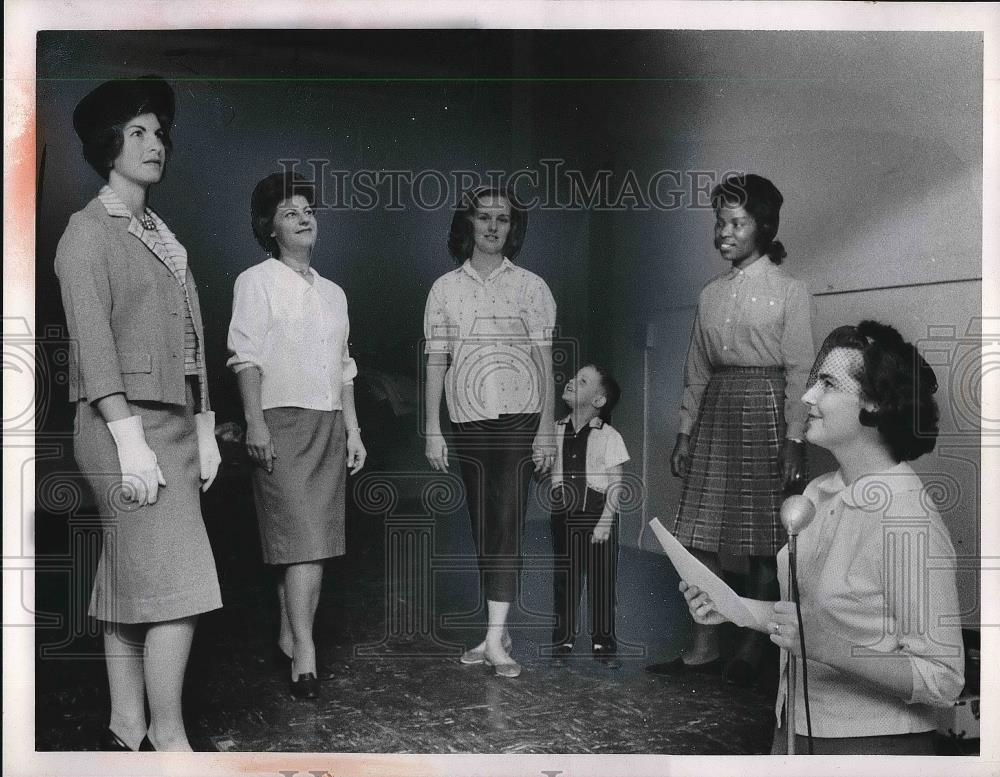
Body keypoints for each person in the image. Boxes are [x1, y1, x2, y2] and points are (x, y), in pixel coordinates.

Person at [681, 321, 964, 754]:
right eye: (814, 381)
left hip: (872, 745)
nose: (808, 396)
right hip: (793, 729)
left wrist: (830, 648)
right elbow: (804, 619)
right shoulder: (818, 492)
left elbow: (943, 679)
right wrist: (732, 608)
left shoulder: (909, 519)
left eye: (828, 384)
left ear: (875, 403)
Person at [54, 76, 222, 751]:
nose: (155, 144)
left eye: (158, 133)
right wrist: (131, 443)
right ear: (107, 145)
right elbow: (96, 352)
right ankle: (170, 736)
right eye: (137, 133)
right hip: (121, 426)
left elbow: (190, 339)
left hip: (174, 424)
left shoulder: (159, 232)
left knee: (131, 577)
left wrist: (206, 426)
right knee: (180, 588)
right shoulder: (86, 234)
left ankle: (127, 724)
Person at [647, 174, 815, 685]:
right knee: (699, 536)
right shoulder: (710, 294)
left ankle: (751, 650)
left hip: (767, 413)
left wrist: (794, 439)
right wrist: (683, 432)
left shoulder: (790, 291)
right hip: (716, 412)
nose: (724, 232)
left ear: (763, 228)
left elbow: (800, 371)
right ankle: (701, 648)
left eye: (736, 223)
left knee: (764, 540)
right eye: (720, 222)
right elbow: (696, 369)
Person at [227, 172, 366, 700]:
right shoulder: (255, 281)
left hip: (329, 423)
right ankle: (305, 650)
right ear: (270, 226)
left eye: (308, 209)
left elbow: (344, 368)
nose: (304, 217)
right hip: (280, 423)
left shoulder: (334, 293)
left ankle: (291, 630)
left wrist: (353, 430)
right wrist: (255, 422)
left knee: (314, 543)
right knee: (301, 538)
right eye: (290, 211)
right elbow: (246, 358)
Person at [424, 186, 557, 678]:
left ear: (513, 228)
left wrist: (546, 430)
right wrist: (431, 429)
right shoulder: (444, 289)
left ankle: (496, 640)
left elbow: (545, 362)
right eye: (484, 217)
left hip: (520, 420)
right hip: (466, 421)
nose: (493, 226)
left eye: (503, 218)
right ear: (469, 224)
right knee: (485, 526)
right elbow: (437, 360)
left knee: (506, 522)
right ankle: (494, 632)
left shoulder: (532, 287)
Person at [548, 364, 629, 669]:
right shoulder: (554, 429)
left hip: (597, 514)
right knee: (565, 579)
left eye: (582, 381)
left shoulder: (609, 436)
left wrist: (607, 520)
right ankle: (562, 640)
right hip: (563, 515)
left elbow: (616, 481)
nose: (571, 381)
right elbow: (546, 468)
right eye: (573, 377)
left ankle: (604, 643)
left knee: (601, 581)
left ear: (598, 401)